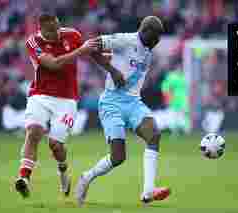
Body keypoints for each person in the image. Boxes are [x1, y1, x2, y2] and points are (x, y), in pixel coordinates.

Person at [75, 16, 170, 206]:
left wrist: (114, 65)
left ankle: (147, 191)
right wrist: (112, 70)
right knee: (118, 157)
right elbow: (91, 46)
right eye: (156, 37)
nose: (158, 41)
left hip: (133, 103)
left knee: (154, 135)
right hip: (112, 103)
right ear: (146, 32)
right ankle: (87, 177)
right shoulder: (125, 40)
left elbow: (125, 63)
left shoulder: (148, 51)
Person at [14, 13, 99, 198]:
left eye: (58, 27)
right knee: (33, 132)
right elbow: (53, 64)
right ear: (42, 30)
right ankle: (24, 178)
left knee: (55, 145)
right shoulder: (33, 42)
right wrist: (79, 51)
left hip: (67, 100)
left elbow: (91, 51)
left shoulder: (72, 35)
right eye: (52, 31)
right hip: (40, 95)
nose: (57, 33)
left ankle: (62, 170)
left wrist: (108, 66)